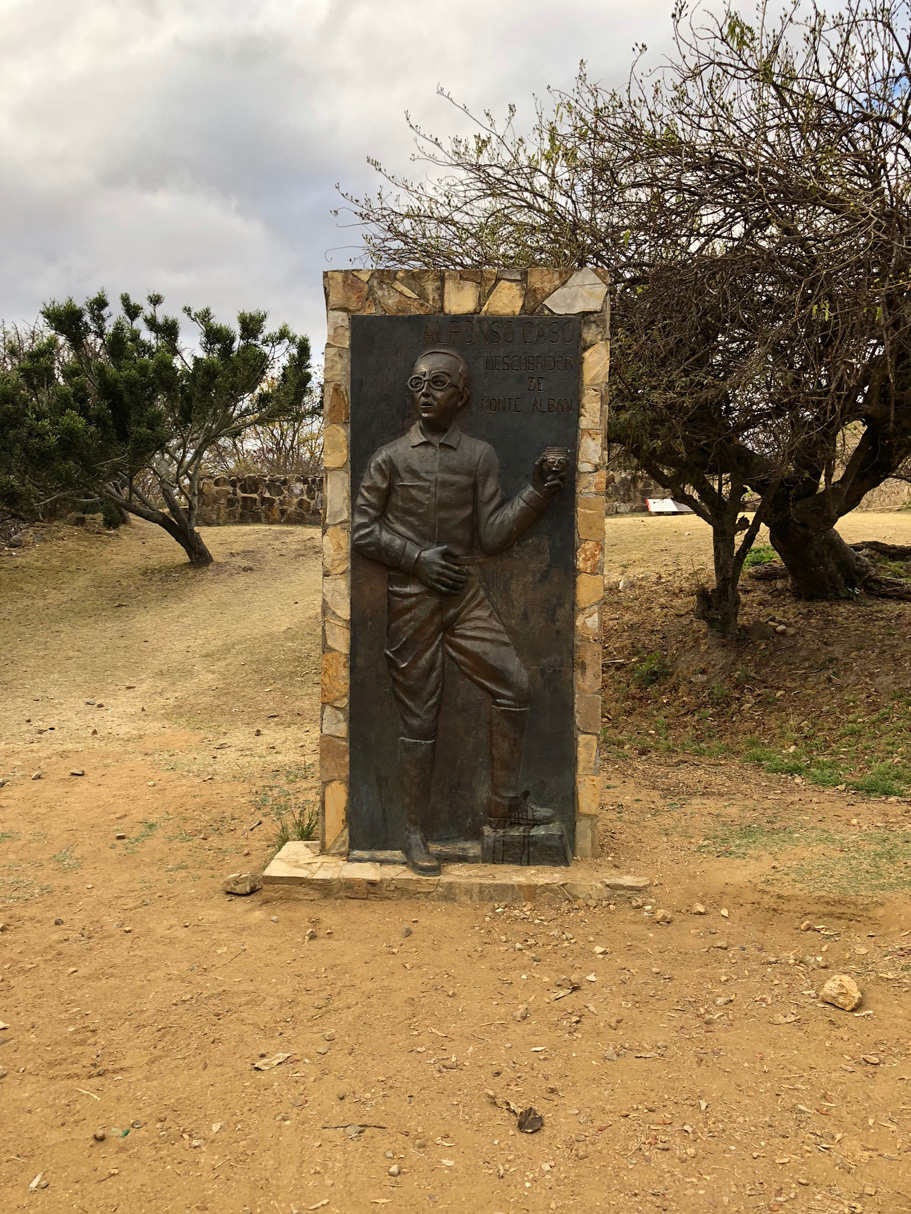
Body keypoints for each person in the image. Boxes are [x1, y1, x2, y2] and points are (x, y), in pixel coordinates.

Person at [352, 347, 565, 875]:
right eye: (418, 381)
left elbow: (491, 535)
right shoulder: (389, 459)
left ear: (461, 397)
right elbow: (362, 530)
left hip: (464, 597)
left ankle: (504, 802)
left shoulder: (479, 455)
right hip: (412, 599)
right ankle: (413, 833)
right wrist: (416, 559)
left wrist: (537, 493)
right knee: (419, 719)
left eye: (440, 383)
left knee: (514, 686)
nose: (426, 391)